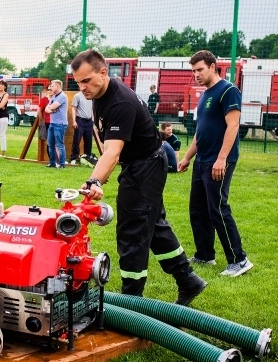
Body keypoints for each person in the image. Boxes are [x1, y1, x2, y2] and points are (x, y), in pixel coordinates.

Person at [71, 49, 207, 306]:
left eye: (86, 80)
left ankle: (131, 300)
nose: (82, 87)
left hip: (145, 166)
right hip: (142, 164)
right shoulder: (99, 93)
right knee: (154, 227)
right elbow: (108, 144)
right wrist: (103, 172)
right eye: (78, 82)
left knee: (132, 230)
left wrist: (95, 180)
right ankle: (188, 280)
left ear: (103, 72)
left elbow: (113, 150)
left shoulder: (119, 101)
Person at [177, 50, 252, 278]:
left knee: (218, 207)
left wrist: (221, 158)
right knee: (198, 208)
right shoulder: (205, 94)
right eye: (193, 71)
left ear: (212, 67)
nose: (196, 75)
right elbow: (201, 132)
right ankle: (204, 254)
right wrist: (187, 157)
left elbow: (233, 126)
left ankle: (239, 260)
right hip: (202, 159)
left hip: (219, 160)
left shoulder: (228, 90)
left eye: (200, 69)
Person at [44, 79, 68, 168]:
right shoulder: (54, 97)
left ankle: (62, 164)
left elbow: (52, 106)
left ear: (57, 86)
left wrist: (51, 108)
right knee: (50, 144)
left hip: (60, 124)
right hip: (52, 123)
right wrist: (52, 110)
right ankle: (52, 162)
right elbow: (47, 109)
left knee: (60, 145)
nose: (50, 88)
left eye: (52, 86)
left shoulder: (62, 96)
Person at [69, 89, 93, 165]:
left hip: (89, 120)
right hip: (80, 120)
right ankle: (74, 158)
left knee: (89, 140)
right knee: (77, 139)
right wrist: (74, 121)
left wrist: (93, 119)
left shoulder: (91, 95)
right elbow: (73, 108)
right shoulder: (77, 96)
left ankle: (87, 158)